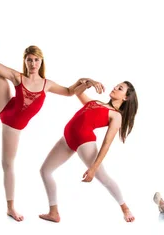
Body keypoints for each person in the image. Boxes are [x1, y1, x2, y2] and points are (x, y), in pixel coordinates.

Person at [0, 5, 102, 221]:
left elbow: (70, 91)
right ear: (25, 61)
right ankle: (11, 207)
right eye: (29, 59)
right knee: (8, 164)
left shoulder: (47, 84)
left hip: (12, 112)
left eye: (36, 60)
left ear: (41, 62)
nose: (32, 63)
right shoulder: (18, 77)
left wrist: (86, 81)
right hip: (9, 119)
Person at [38, 81, 139, 223]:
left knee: (102, 176)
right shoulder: (96, 102)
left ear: (126, 98)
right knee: (45, 171)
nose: (115, 87)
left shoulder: (116, 116)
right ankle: (53, 213)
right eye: (116, 85)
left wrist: (93, 168)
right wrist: (89, 83)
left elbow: (106, 143)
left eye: (120, 88)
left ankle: (125, 208)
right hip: (67, 139)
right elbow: (77, 92)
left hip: (84, 141)